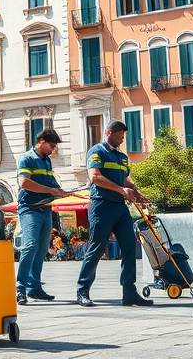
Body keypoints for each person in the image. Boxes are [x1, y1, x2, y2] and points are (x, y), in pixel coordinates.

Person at [75, 120, 153, 308]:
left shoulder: (122, 157)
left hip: (120, 206)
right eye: (120, 136)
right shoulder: (96, 151)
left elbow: (126, 180)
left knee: (128, 247)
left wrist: (137, 192)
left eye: (123, 136)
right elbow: (95, 177)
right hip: (101, 205)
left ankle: (129, 293)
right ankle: (82, 291)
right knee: (96, 248)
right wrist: (121, 189)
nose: (122, 139)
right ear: (109, 133)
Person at [15, 128, 65, 305]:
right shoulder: (27, 158)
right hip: (30, 208)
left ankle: (34, 288)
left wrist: (61, 191)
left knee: (42, 248)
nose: (53, 150)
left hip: (46, 209)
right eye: (51, 146)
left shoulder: (47, 162)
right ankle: (20, 287)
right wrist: (51, 190)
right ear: (42, 141)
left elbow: (51, 182)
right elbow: (24, 182)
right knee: (30, 246)